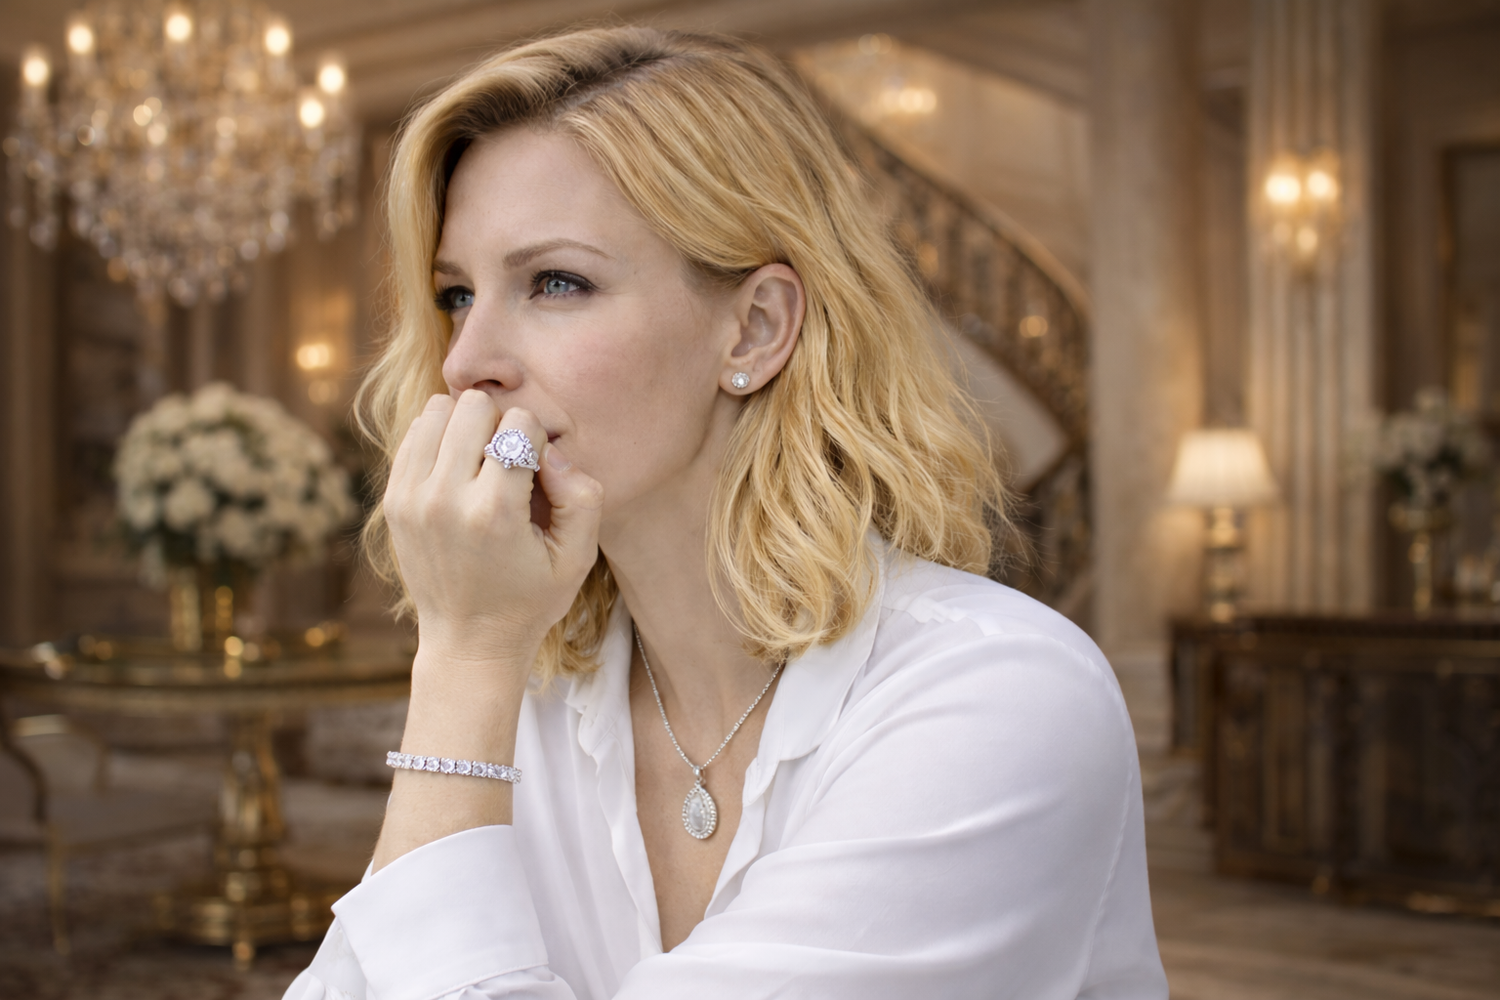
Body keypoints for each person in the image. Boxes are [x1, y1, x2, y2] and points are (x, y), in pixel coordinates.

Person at [285, 25, 1167, 1000]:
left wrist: (459, 663)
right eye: (456, 294)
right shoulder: (524, 698)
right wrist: (473, 668)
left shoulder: (1002, 701)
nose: (465, 361)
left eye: (557, 282)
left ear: (754, 328)